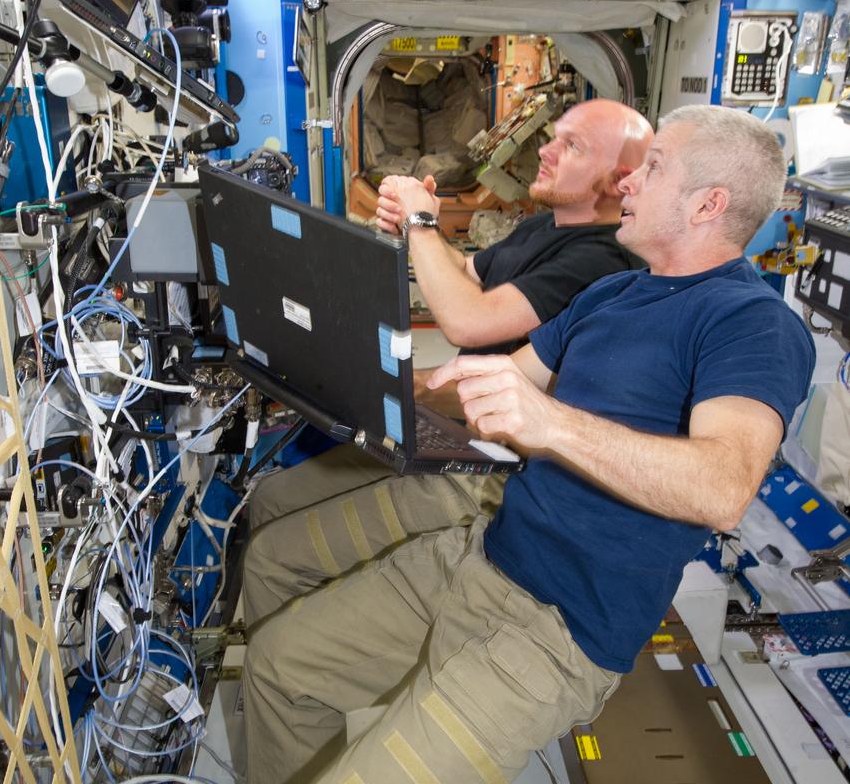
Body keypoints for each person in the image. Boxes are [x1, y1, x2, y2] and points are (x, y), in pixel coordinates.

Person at [243, 104, 815, 784]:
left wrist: (547, 425)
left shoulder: (750, 324)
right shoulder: (616, 295)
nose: (628, 180)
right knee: (276, 668)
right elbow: (493, 386)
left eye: (653, 166)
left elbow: (721, 485)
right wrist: (344, 378)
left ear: (708, 202)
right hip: (481, 556)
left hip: (555, 637)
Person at [242, 98, 653, 631]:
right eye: (553, 136)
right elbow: (469, 272)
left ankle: (290, 657)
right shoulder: (549, 226)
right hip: (450, 420)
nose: (545, 151)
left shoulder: (600, 262)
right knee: (272, 498)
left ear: (619, 181)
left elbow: (469, 322)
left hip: (489, 466)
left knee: (276, 554)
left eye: (571, 146)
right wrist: (426, 229)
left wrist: (417, 224)